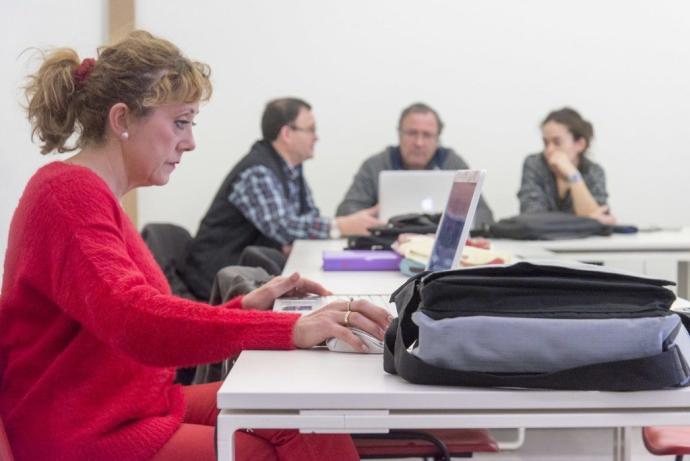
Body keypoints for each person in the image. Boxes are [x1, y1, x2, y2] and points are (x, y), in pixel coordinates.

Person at [0, 31, 391, 461]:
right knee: (267, 449)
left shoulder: (91, 194)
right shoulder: (67, 197)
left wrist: (244, 310)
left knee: (302, 415)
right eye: (180, 122)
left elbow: (135, 317)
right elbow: (134, 320)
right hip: (87, 432)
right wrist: (287, 328)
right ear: (121, 120)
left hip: (138, 405)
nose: (190, 142)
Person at [183, 97, 384, 301]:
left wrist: (342, 225)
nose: (316, 137)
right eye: (311, 129)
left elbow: (306, 218)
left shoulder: (291, 170)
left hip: (251, 274)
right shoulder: (256, 172)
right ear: (287, 133)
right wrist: (341, 226)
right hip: (218, 281)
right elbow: (283, 227)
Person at [335, 102, 494, 229]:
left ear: (437, 139)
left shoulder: (453, 164)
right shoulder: (375, 165)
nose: (419, 143)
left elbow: (484, 214)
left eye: (427, 135)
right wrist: (380, 219)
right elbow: (346, 212)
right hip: (387, 243)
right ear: (399, 135)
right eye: (412, 133)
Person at [517, 107, 616, 224]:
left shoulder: (593, 171)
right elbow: (532, 216)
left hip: (584, 242)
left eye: (557, 142)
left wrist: (573, 174)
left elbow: (599, 219)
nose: (549, 150)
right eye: (546, 142)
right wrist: (582, 221)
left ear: (580, 144)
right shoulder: (534, 164)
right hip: (542, 242)